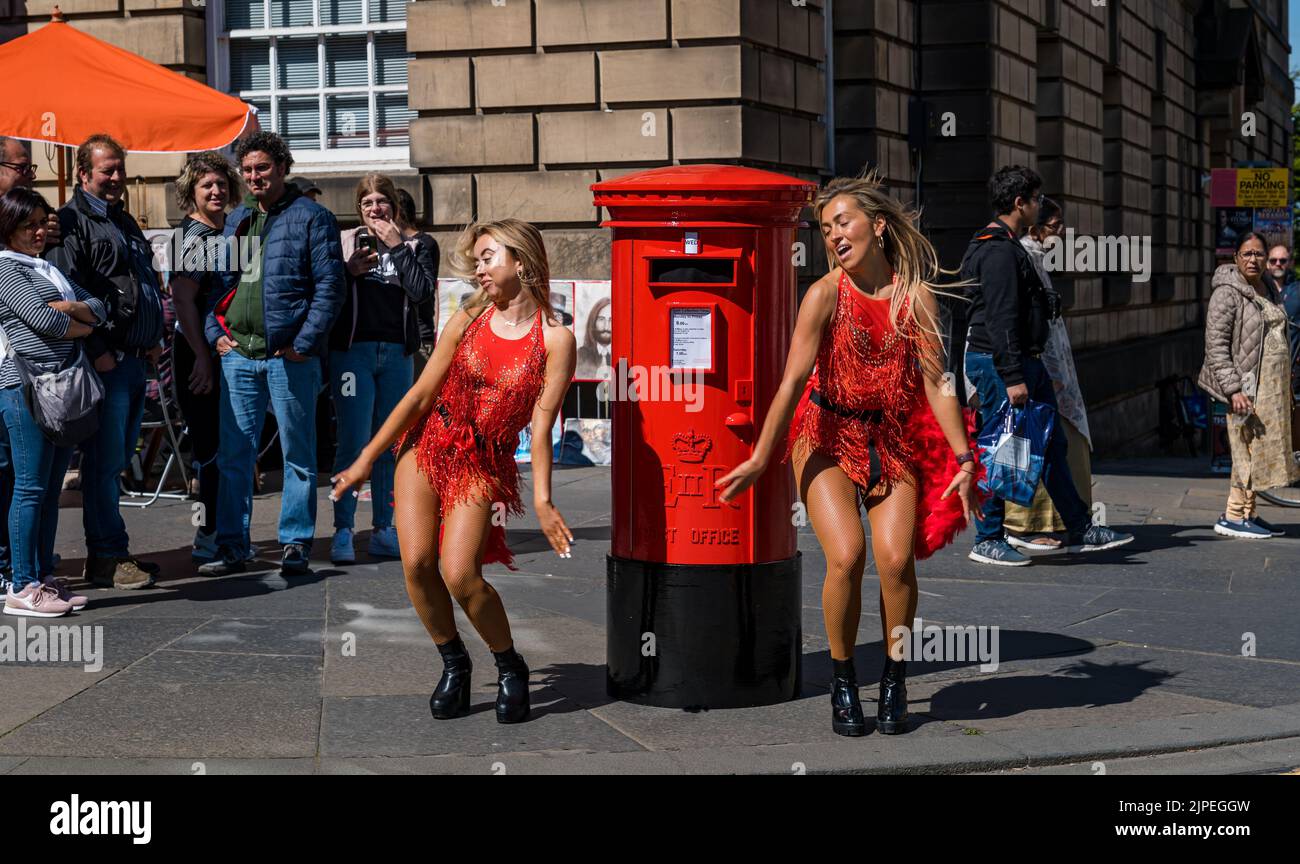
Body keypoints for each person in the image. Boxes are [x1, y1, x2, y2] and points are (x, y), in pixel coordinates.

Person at [715, 172, 980, 737]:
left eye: (843, 222)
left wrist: (963, 458)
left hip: (892, 439)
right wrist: (763, 457)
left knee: (895, 562)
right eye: (825, 227)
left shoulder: (916, 297)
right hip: (826, 434)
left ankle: (894, 676)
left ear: (877, 226)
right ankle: (841, 679)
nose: (832, 234)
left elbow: (939, 384)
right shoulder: (824, 294)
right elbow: (791, 383)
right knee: (847, 556)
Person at [331, 218, 576, 725]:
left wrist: (545, 500)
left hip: (484, 459)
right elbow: (420, 396)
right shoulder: (469, 317)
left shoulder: (556, 340)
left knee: (460, 573)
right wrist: (364, 460)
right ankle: (453, 662)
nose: (480, 269)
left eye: (489, 258)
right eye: (479, 260)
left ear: (522, 262)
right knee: (417, 563)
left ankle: (509, 666)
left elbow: (542, 420)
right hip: (427, 444)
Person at [961, 165, 1132, 566]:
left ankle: (1079, 526)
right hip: (1004, 364)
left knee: (1051, 445)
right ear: (1019, 203)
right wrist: (1013, 376)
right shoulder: (998, 250)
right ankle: (987, 538)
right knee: (1003, 450)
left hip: (1023, 362)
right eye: (1036, 199)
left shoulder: (1003, 243)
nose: (1040, 206)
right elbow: (1000, 317)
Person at [197, 132, 345, 577]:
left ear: (282, 167)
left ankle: (295, 542)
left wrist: (302, 344)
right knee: (234, 454)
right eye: (247, 169)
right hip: (238, 355)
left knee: (297, 454)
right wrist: (213, 334)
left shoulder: (312, 218)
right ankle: (231, 544)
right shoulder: (236, 221)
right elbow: (218, 285)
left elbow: (330, 289)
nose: (254, 176)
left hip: (288, 358)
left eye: (262, 167)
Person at [47, 134, 164, 590]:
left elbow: (138, 282)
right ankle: (108, 557)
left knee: (115, 462)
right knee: (102, 463)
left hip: (135, 361)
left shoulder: (123, 218)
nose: (116, 178)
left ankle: (112, 553)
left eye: (119, 168)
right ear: (83, 174)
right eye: (106, 170)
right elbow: (66, 293)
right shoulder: (70, 223)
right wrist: (100, 353)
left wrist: (153, 337)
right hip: (108, 363)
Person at [329, 173, 438, 564]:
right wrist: (348, 271)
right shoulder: (344, 242)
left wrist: (397, 246)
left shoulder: (417, 244)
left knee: (393, 442)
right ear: (358, 209)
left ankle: (383, 528)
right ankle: (343, 530)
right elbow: (325, 290)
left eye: (381, 202)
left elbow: (423, 291)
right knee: (353, 440)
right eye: (367, 203)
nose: (375, 209)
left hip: (397, 354)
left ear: (393, 204)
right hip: (352, 354)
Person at [0, 188, 99, 616]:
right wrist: (80, 326)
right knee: (29, 487)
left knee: (49, 491)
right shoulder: (5, 270)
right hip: (24, 387)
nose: (39, 231)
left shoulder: (45, 268)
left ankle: (42, 575)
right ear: (8, 228)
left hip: (59, 389)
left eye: (43, 222)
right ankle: (22, 584)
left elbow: (98, 307)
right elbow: (43, 325)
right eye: (29, 224)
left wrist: (73, 309)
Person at [1003, 197, 1093, 551]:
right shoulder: (1020, 256)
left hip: (1046, 367)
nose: (1061, 233)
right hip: (1033, 367)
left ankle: (1065, 521)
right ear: (1035, 226)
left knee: (1055, 445)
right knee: (1030, 446)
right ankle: (1022, 526)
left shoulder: (1035, 258)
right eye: (1055, 226)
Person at [1199, 233, 1299, 538]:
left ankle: (1248, 512)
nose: (1253, 260)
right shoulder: (1226, 293)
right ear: (1236, 258)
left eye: (1259, 255)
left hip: (1270, 390)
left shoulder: (1267, 288)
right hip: (1245, 387)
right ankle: (1232, 514)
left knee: (1257, 450)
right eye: (1246, 254)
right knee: (1244, 452)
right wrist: (1233, 390)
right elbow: (1215, 346)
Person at [168, 152, 241, 563]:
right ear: (191, 193)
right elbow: (183, 299)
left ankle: (221, 530)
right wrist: (200, 356)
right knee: (208, 451)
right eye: (206, 185)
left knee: (221, 447)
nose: (216, 191)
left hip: (219, 349)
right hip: (197, 351)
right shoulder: (194, 237)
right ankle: (206, 534)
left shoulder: (225, 235)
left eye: (220, 183)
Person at [1265, 245, 1300, 399]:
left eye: (1283, 260)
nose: (1278, 264)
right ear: (1267, 263)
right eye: (1273, 260)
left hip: (1294, 370)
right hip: (1265, 370)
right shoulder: (1258, 289)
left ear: (1290, 263)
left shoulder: (1298, 290)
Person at [575, 295, 612, 379]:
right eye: (601, 319)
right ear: (593, 322)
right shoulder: (580, 355)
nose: (606, 327)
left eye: (611, 320)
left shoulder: (623, 356)